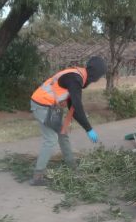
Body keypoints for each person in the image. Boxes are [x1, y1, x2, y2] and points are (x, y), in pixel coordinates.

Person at [29, 56, 107, 186]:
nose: (95, 81)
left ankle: (73, 167)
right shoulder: (75, 79)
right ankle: (37, 176)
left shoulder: (77, 77)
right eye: (98, 77)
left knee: (62, 134)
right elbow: (77, 106)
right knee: (51, 139)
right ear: (95, 75)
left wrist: (87, 127)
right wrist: (89, 129)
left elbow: (73, 108)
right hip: (41, 105)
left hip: (49, 106)